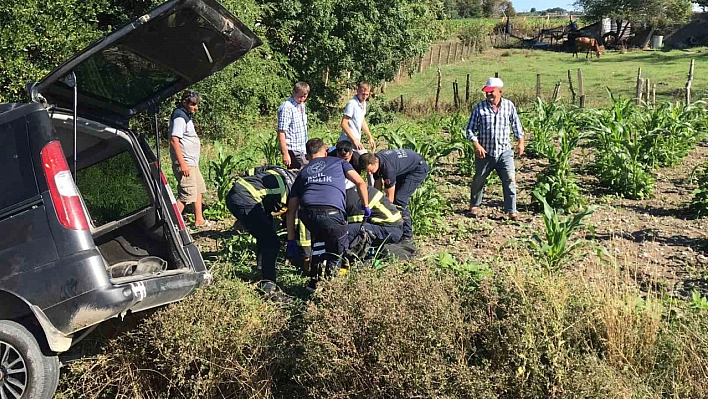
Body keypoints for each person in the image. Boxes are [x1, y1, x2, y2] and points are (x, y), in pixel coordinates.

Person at [286, 139, 370, 288]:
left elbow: (291, 211)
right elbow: (361, 183)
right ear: (325, 152)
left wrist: (291, 240)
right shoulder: (338, 162)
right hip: (332, 212)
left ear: (307, 155)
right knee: (337, 250)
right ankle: (331, 288)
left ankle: (313, 284)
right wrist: (366, 206)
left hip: (308, 215)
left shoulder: (302, 173)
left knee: (319, 243)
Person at [225, 166, 302, 301]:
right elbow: (292, 215)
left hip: (236, 192)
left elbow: (250, 171)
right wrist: (292, 241)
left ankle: (261, 267)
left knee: (265, 230)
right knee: (271, 242)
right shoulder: (295, 188)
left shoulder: (278, 170)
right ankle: (268, 287)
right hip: (247, 199)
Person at [466, 77, 525, 221]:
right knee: (479, 179)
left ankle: (512, 210)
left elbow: (517, 125)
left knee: (510, 180)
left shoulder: (509, 106)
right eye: (487, 92)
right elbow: (469, 130)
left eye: (491, 92)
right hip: (485, 152)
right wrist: (476, 145)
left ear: (500, 92)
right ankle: (474, 205)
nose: (489, 95)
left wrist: (520, 142)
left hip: (505, 151)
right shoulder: (479, 108)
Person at [359, 149, 429, 244]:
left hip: (417, 169)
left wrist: (384, 214)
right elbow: (378, 186)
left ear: (376, 162)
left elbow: (390, 199)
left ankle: (407, 236)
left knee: (400, 200)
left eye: (370, 171)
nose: (370, 173)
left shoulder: (388, 170)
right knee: (394, 199)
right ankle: (399, 228)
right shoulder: (375, 161)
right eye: (367, 172)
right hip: (404, 168)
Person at [169, 90, 210, 227]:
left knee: (198, 189)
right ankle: (170, 224)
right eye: (192, 104)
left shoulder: (186, 115)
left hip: (192, 162)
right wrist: (183, 164)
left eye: (196, 104)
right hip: (185, 163)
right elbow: (174, 140)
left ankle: (199, 220)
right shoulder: (180, 117)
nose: (195, 107)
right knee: (186, 195)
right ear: (184, 102)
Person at [277, 82, 310, 169]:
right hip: (292, 149)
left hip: (302, 148)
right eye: (300, 96)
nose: (302, 99)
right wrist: (285, 153)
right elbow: (281, 132)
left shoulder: (302, 105)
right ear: (294, 92)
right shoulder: (286, 107)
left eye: (305, 96)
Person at [340, 82, 375, 152]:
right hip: (347, 142)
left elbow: (362, 120)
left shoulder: (363, 103)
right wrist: (354, 140)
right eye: (363, 94)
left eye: (367, 94)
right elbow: (344, 123)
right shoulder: (352, 104)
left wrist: (370, 137)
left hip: (356, 141)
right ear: (358, 91)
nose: (364, 97)